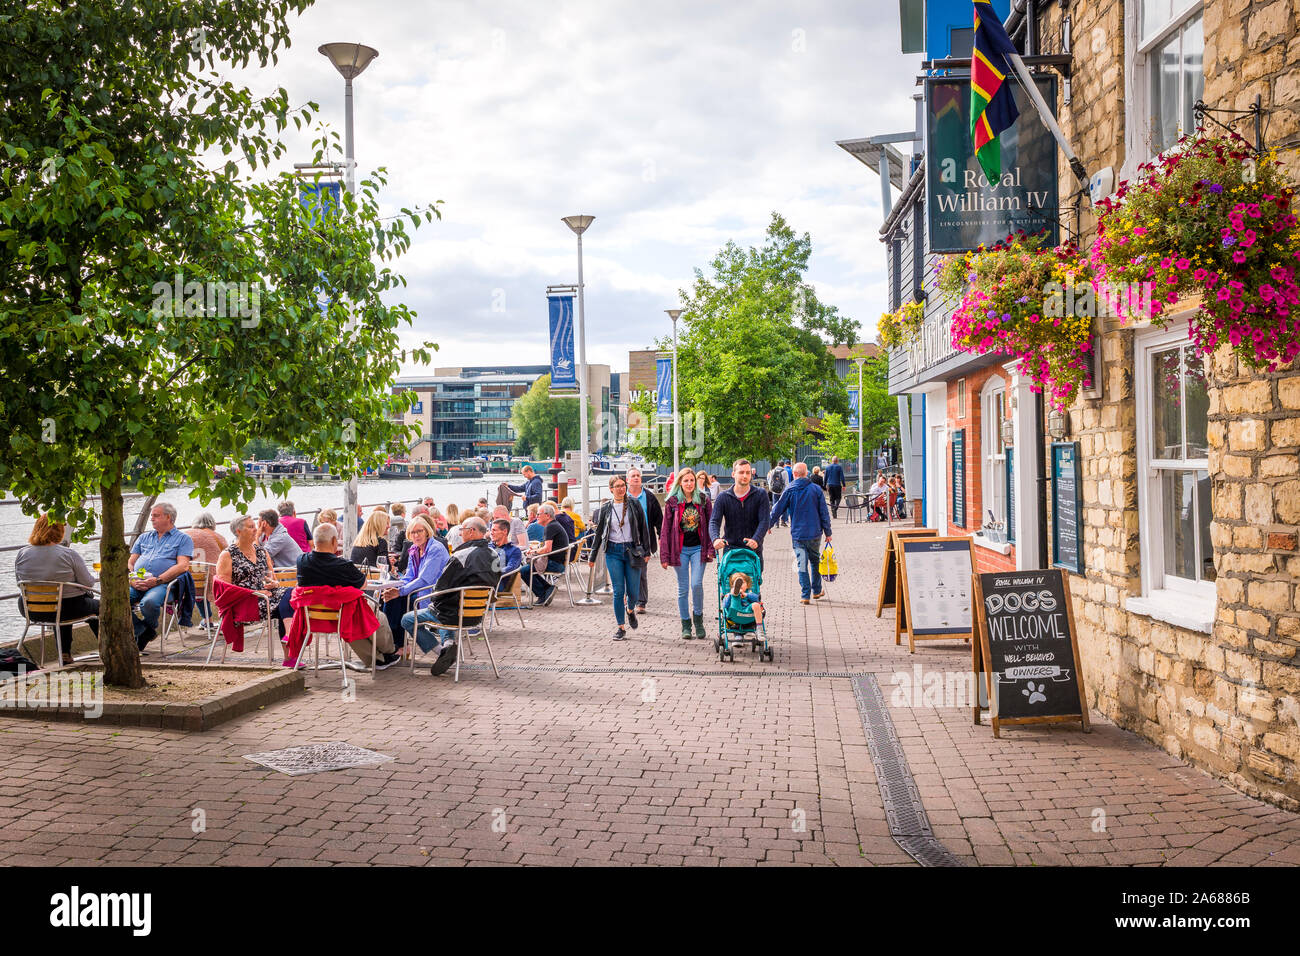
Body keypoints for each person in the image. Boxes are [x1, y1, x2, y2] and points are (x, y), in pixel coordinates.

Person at [295, 522, 401, 669]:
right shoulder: (342, 565)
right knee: (375, 616)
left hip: (312, 617)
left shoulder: (301, 561)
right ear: (333, 541)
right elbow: (363, 584)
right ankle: (389, 651)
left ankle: (378, 659)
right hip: (340, 613)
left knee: (352, 620)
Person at [405, 517, 499, 676]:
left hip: (453, 613)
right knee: (444, 607)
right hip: (477, 615)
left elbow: (441, 586)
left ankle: (441, 651)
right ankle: (448, 645)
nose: (460, 534)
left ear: (471, 532)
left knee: (408, 619)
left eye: (462, 530)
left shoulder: (461, 556)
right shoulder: (495, 554)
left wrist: (433, 599)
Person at [14, 514, 99, 666]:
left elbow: (19, 582)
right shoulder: (68, 554)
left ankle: (64, 653)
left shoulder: (22, 553)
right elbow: (88, 583)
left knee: (59, 602)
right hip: (67, 609)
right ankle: (108, 650)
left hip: (31, 609)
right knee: (100, 607)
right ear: (59, 531)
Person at [588, 474, 650, 641]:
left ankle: (630, 610)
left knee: (633, 592)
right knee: (618, 591)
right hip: (613, 552)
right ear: (611, 489)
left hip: (632, 550)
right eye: (618, 486)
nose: (621, 488)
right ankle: (620, 627)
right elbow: (599, 532)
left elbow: (644, 528)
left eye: (623, 485)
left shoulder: (634, 504)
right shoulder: (606, 508)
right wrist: (592, 555)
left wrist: (647, 551)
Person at [379, 515, 448, 658]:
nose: (416, 535)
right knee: (389, 597)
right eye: (413, 532)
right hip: (420, 591)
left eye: (419, 531)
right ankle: (395, 644)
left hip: (435, 595)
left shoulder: (436, 549)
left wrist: (400, 591)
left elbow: (424, 580)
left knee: (396, 600)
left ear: (427, 531)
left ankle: (397, 645)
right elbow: (409, 576)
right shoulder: (414, 550)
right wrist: (396, 588)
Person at [128, 502, 194, 650]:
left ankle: (146, 630)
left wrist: (157, 580)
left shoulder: (183, 539)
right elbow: (130, 562)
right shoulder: (144, 537)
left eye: (156, 516)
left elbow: (183, 565)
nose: (152, 519)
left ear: (169, 517)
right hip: (137, 582)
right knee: (116, 600)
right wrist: (132, 579)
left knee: (149, 603)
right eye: (151, 516)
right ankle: (144, 631)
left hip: (163, 584)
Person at [214, 514, 290, 640]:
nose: (256, 529)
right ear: (239, 531)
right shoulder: (227, 555)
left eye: (255, 526)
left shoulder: (261, 552)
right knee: (289, 604)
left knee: (292, 595)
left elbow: (273, 579)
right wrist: (253, 592)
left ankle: (289, 641)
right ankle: (290, 651)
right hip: (245, 602)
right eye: (251, 527)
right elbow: (225, 591)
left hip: (266, 596)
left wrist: (273, 584)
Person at [660, 467, 714, 640]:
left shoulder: (704, 500)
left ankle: (698, 620)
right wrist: (664, 556)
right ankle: (685, 624)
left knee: (696, 584)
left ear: (696, 482)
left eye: (692, 480)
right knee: (683, 589)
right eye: (686, 481)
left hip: (699, 548)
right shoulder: (672, 502)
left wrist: (712, 549)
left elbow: (712, 525)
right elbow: (665, 530)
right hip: (680, 550)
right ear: (680, 483)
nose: (689, 484)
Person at [768, 461, 833, 604]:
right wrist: (828, 532)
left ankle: (805, 595)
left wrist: (768, 524)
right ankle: (816, 590)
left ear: (795, 474)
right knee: (815, 562)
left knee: (801, 563)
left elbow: (778, 509)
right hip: (815, 532)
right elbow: (824, 513)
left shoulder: (790, 490)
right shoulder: (816, 490)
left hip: (798, 534)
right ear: (806, 473)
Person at [709, 459, 771, 567]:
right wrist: (715, 538)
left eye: (748, 472)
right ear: (733, 474)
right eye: (741, 472)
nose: (745, 475)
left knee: (752, 582)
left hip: (753, 549)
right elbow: (714, 521)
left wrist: (756, 539)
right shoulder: (723, 497)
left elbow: (764, 520)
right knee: (730, 582)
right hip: (731, 549)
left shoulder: (760, 494)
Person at [625, 467, 663, 614]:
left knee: (641, 571)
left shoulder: (649, 497)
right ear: (627, 479)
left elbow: (659, 519)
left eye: (638, 476)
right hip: (625, 538)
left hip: (644, 540)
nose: (636, 478)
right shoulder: (623, 496)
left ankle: (641, 602)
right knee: (625, 570)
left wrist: (661, 536)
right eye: (633, 476)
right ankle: (627, 598)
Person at [521, 504, 570, 606]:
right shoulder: (553, 525)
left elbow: (547, 549)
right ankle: (547, 589)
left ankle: (543, 592)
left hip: (555, 564)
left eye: (539, 514)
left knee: (524, 570)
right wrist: (537, 550)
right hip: (558, 562)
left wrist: (534, 552)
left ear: (547, 516)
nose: (536, 516)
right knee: (527, 568)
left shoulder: (550, 527)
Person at [766, 462, 788, 526]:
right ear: (783, 465)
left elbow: (769, 480)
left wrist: (771, 488)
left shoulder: (772, 471)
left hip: (774, 491)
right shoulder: (784, 472)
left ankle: (776, 522)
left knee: (774, 506)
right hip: (783, 492)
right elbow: (787, 483)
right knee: (784, 506)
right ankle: (783, 521)